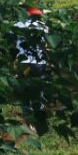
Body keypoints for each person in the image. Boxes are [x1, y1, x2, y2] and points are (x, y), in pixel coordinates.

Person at [14, 7, 49, 135]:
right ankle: (40, 126)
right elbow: (46, 45)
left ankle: (29, 125)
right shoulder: (43, 26)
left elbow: (13, 45)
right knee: (39, 93)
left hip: (23, 64)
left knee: (25, 96)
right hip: (39, 64)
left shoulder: (17, 25)